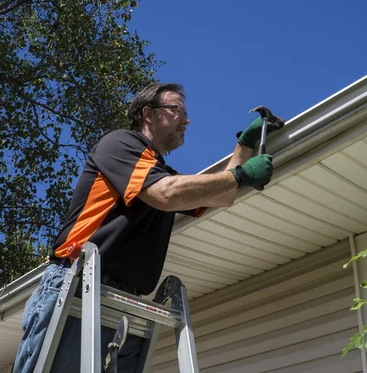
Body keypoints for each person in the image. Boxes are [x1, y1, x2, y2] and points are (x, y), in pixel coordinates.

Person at [14, 83, 277, 372]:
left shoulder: (159, 172)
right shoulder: (120, 144)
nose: (186, 120)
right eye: (177, 110)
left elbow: (222, 195)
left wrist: (244, 146)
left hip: (122, 304)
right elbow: (167, 193)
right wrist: (241, 175)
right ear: (148, 113)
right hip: (76, 287)